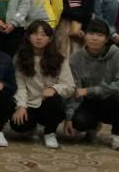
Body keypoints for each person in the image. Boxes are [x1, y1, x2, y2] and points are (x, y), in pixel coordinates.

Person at [67, 19, 119, 151]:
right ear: (84, 35)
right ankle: (92, 127)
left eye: (100, 35)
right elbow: (75, 90)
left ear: (107, 39)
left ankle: (116, 135)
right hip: (88, 102)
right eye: (91, 34)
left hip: (108, 100)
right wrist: (69, 117)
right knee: (78, 122)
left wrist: (90, 90)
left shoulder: (116, 55)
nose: (94, 38)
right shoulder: (76, 58)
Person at [10, 20, 75, 148]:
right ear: (29, 37)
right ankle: (32, 127)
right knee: (17, 125)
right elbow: (20, 85)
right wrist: (21, 105)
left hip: (50, 105)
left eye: (43, 35)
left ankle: (50, 133)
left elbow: (70, 86)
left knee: (54, 100)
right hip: (30, 103)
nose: (39, 38)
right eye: (35, 34)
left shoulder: (60, 59)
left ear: (50, 39)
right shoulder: (20, 58)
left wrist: (54, 89)